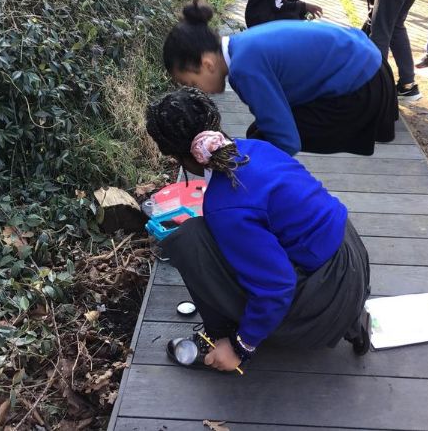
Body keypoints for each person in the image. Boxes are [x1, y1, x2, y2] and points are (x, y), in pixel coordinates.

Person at [146, 87, 371, 372]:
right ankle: (351, 321)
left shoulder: (225, 205)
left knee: (189, 240)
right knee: (223, 233)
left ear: (181, 157)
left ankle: (221, 340)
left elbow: (277, 286)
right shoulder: (256, 148)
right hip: (351, 257)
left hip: (326, 298)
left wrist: (242, 347)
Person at [163, 0, 398, 157]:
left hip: (362, 85)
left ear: (207, 64)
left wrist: (237, 166)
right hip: (370, 63)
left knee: (262, 140)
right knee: (260, 136)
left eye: (192, 83)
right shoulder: (242, 45)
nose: (199, 91)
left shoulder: (244, 69)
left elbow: (286, 140)